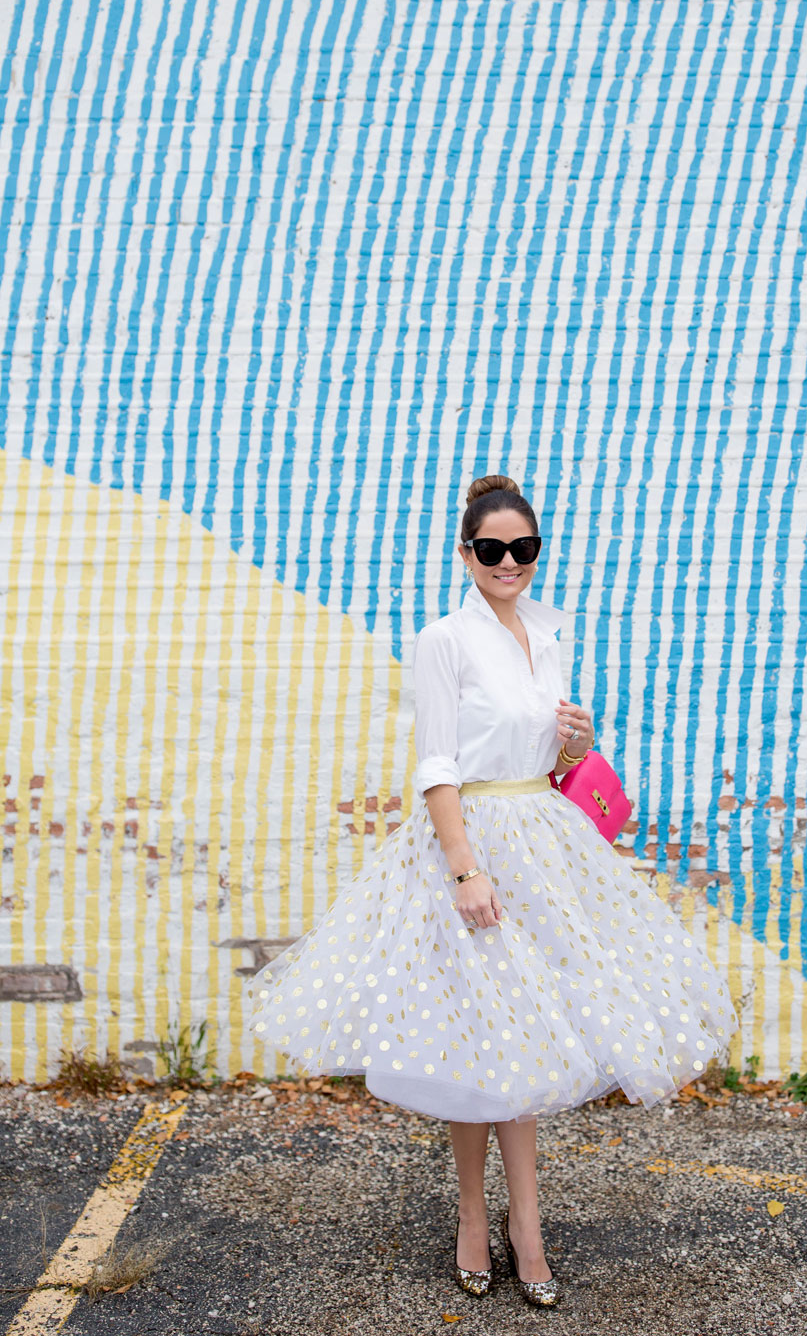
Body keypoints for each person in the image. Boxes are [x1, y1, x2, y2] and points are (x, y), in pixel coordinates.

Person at [246, 473, 738, 1306]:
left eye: (524, 548)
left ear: (536, 551)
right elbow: (439, 763)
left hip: (543, 846)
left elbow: (546, 764)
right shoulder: (445, 639)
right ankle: (476, 1219)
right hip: (471, 852)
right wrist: (464, 871)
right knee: (474, 1045)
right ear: (466, 553)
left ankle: (528, 1228)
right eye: (492, 549)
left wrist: (575, 749)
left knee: (528, 1046)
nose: (509, 562)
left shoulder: (547, 632)